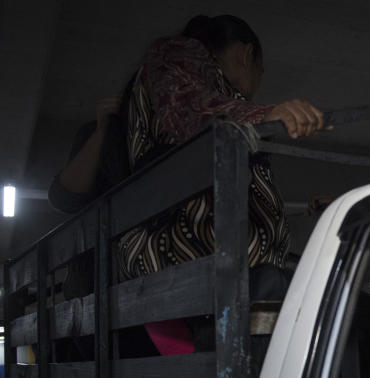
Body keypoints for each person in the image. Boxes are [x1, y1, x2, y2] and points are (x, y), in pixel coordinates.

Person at [118, 14, 328, 282]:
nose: (256, 85)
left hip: (233, 270)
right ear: (246, 55)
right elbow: (188, 106)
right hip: (190, 261)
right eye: (259, 71)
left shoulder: (215, 86)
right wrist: (262, 115)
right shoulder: (179, 55)